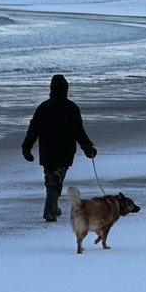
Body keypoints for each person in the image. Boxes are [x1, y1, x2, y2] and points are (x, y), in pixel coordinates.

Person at [21, 74, 97, 222]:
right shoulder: (71, 107)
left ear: (51, 89)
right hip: (64, 151)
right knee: (55, 181)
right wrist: (87, 147)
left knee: (51, 179)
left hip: (47, 151)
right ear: (65, 90)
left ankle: (53, 209)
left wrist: (26, 147)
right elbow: (78, 131)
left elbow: (33, 130)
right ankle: (50, 211)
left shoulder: (43, 107)